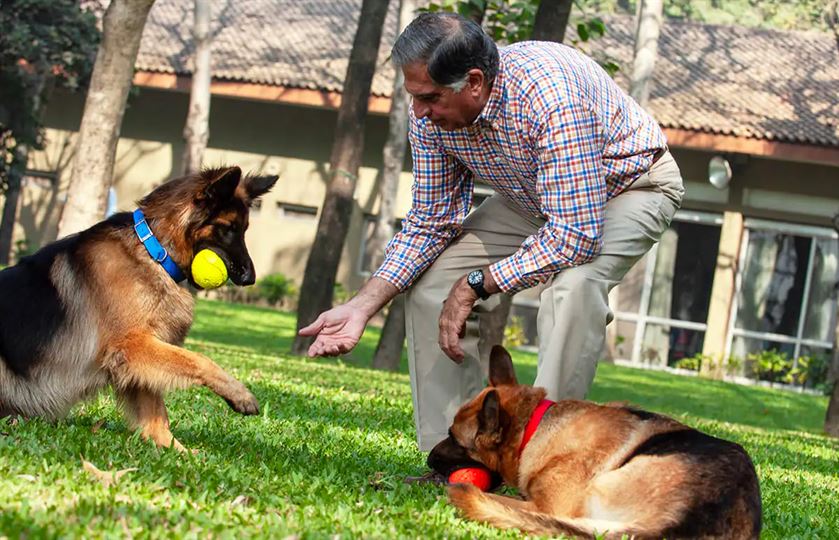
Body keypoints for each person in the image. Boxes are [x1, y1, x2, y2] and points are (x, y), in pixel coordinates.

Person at [299, 12, 684, 480]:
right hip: (532, 198)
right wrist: (364, 305)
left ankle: (547, 462)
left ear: (474, 82)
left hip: (628, 187)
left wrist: (478, 283)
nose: (419, 111)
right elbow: (430, 221)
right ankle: (458, 460)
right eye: (414, 97)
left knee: (575, 285)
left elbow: (576, 235)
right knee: (430, 289)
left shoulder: (550, 96)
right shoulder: (432, 116)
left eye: (429, 98)